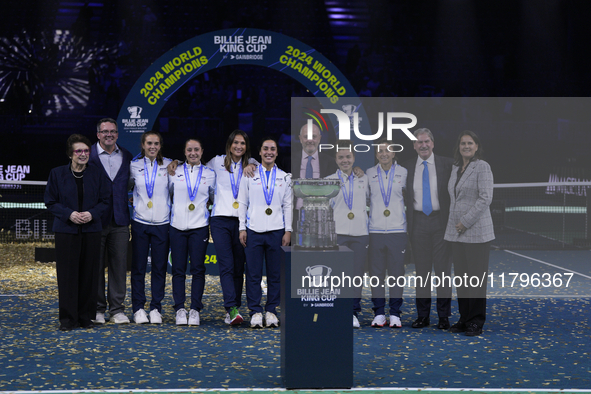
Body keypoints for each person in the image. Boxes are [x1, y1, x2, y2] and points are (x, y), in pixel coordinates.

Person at [167, 130, 258, 325]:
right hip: (220, 220)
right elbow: (194, 166)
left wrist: (253, 164)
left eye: (242, 143)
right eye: (235, 143)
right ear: (229, 144)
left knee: (238, 268)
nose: (238, 147)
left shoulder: (252, 165)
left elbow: (263, 168)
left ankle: (234, 307)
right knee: (226, 265)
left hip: (243, 222)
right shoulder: (216, 163)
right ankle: (230, 308)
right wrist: (176, 161)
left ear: (246, 146)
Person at [44, 134, 110, 331]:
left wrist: (91, 214)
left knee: (89, 275)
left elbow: (105, 201)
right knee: (67, 276)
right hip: (66, 231)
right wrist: (69, 214)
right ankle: (67, 319)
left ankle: (85, 318)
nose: (83, 154)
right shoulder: (56, 174)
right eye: (78, 151)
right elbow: (50, 201)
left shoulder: (97, 174)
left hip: (91, 230)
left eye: (86, 151)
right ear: (70, 154)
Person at [444, 130, 495, 337]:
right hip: (457, 234)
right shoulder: (456, 168)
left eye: (470, 143)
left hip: (476, 233)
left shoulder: (482, 166)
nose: (466, 146)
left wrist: (465, 222)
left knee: (476, 281)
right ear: (459, 146)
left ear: (476, 146)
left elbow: (485, 198)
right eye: (463, 143)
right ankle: (464, 319)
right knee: (463, 280)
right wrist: (457, 227)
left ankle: (476, 321)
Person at [402, 128, 453, 330]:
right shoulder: (406, 168)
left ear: (433, 143)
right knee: (422, 273)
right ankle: (422, 316)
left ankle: (443, 317)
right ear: (414, 145)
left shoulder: (447, 164)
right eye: (419, 142)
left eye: (426, 141)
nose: (423, 145)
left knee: (443, 273)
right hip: (418, 224)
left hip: (441, 223)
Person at [238, 138, 292, 328]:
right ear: (259, 153)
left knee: (275, 274)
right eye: (265, 149)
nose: (269, 152)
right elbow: (242, 202)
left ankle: (271, 311)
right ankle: (255, 311)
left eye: (273, 149)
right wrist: (242, 227)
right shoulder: (249, 175)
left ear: (277, 153)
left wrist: (288, 230)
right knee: (253, 274)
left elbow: (288, 206)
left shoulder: (285, 177)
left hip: (277, 232)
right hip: (253, 231)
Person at [89, 118, 133, 325]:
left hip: (121, 220)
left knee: (119, 267)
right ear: (98, 134)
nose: (109, 134)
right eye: (105, 131)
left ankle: (117, 310)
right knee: (95, 266)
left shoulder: (126, 155)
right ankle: (97, 309)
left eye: (113, 131)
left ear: (117, 134)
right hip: (95, 221)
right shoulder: (87, 155)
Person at [169, 138, 216, 326]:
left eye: (196, 149)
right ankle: (180, 309)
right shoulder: (174, 171)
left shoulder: (210, 174)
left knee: (198, 269)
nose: (193, 153)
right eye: (189, 150)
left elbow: (213, 197)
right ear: (184, 152)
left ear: (202, 151)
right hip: (177, 227)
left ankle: (195, 309)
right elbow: (169, 194)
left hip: (200, 227)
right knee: (178, 270)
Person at [129, 131, 172, 324]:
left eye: (156, 143)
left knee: (159, 268)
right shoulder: (133, 165)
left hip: (162, 224)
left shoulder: (170, 165)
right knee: (138, 268)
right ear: (143, 145)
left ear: (160, 145)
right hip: (140, 222)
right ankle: (138, 308)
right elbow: (127, 187)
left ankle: (156, 308)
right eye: (149, 143)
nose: (152, 147)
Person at [325, 142, 370, 328]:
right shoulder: (329, 180)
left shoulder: (364, 178)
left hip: (360, 233)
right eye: (341, 157)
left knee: (356, 274)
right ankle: (337, 310)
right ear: (336, 159)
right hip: (338, 234)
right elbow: (325, 210)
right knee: (337, 275)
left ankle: (352, 312)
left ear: (354, 158)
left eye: (348, 157)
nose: (345, 160)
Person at [366, 138, 408, 328]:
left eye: (388, 150)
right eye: (380, 151)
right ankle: (379, 313)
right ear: (376, 154)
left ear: (393, 153)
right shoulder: (368, 174)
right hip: (374, 231)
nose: (384, 154)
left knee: (397, 273)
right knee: (376, 274)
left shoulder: (404, 173)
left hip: (398, 231)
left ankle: (395, 314)